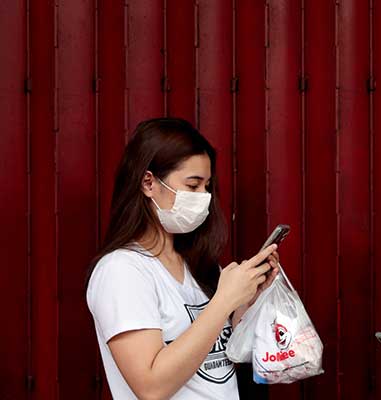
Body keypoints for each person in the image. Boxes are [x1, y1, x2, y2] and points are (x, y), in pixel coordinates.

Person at [86, 118, 279, 399]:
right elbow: (151, 387)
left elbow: (222, 360)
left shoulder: (200, 265)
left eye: (207, 186)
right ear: (149, 183)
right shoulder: (122, 271)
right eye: (193, 185)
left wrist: (243, 303)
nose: (204, 197)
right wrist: (224, 300)